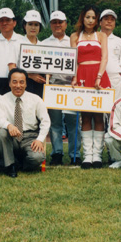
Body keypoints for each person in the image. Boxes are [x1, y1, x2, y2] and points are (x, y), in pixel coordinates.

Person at [70, 5, 111, 169]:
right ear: (82, 18)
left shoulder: (101, 35)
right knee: (85, 116)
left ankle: (97, 156)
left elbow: (105, 57)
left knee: (99, 116)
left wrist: (99, 77)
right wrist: (74, 77)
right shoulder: (74, 36)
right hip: (82, 75)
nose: (91, 20)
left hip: (98, 75)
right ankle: (87, 155)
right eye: (88, 17)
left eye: (94, 18)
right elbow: (72, 59)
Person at [41, 10, 82, 166]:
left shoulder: (73, 41)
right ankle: (57, 153)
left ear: (66, 23)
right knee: (55, 122)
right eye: (54, 22)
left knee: (73, 122)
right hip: (54, 85)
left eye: (60, 22)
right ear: (50, 24)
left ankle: (75, 154)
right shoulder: (44, 43)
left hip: (71, 85)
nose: (57, 25)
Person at [0, 68, 50, 178]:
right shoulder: (3, 99)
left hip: (30, 137)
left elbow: (45, 121)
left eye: (22, 82)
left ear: (26, 83)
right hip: (13, 136)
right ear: (9, 83)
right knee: (2, 133)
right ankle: (10, 166)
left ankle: (19, 164)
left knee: (37, 158)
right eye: (14, 82)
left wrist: (39, 140)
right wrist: (9, 125)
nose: (18, 85)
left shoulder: (36, 99)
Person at [0, 7, 24, 95]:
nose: (4, 23)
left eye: (8, 20)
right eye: (1, 20)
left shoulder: (22, 40)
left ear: (14, 23)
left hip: (17, 83)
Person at [99, 9, 121, 99]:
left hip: (115, 79)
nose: (109, 21)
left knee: (115, 108)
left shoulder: (120, 42)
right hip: (97, 78)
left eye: (112, 19)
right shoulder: (94, 38)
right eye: (106, 19)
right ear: (100, 22)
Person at [20, 9, 46, 97]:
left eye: (36, 24)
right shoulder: (17, 44)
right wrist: (31, 75)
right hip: (22, 84)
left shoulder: (44, 45)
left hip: (40, 85)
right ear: (24, 25)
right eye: (30, 24)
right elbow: (13, 68)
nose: (33, 27)